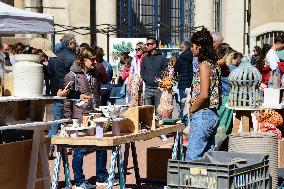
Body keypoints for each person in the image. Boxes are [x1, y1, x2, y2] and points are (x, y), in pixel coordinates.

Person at [63, 47, 96, 189]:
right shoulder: (71, 75)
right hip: (78, 116)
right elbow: (66, 100)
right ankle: (79, 181)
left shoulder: (92, 74)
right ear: (83, 60)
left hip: (92, 115)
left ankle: (99, 176)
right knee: (79, 150)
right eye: (92, 59)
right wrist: (68, 121)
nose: (95, 62)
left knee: (96, 145)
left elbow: (96, 93)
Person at [186, 28, 221, 160]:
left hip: (203, 114)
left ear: (199, 46)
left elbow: (204, 94)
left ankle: (193, 181)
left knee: (193, 158)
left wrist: (191, 109)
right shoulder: (212, 64)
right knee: (207, 158)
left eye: (193, 46)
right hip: (210, 114)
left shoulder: (205, 66)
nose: (191, 49)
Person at [47, 34, 77, 158]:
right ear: (70, 43)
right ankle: (73, 146)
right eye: (75, 43)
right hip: (72, 91)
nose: (76, 45)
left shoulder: (54, 57)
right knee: (72, 120)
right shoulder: (75, 57)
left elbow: (48, 74)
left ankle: (49, 147)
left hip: (58, 91)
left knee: (56, 121)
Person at [141, 36, 168, 111]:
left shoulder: (162, 58)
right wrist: (145, 79)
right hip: (148, 88)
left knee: (159, 112)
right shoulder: (145, 58)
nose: (147, 46)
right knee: (147, 113)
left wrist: (161, 83)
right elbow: (142, 71)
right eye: (146, 44)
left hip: (158, 89)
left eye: (149, 44)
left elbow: (166, 72)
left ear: (154, 45)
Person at [174, 41, 193, 118]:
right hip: (191, 83)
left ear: (185, 48)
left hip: (182, 83)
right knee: (190, 102)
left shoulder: (181, 58)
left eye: (181, 47)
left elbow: (176, 69)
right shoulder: (193, 56)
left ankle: (183, 119)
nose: (180, 49)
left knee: (183, 103)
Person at [128, 42, 146, 106]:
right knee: (135, 101)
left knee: (142, 101)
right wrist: (128, 84)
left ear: (143, 49)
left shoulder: (146, 58)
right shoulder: (134, 59)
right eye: (136, 49)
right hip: (135, 83)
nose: (137, 51)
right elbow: (131, 72)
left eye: (138, 49)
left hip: (144, 83)